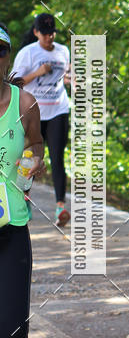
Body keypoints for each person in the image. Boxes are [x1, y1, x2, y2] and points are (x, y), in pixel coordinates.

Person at [0, 22, 45, 338]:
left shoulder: (25, 104)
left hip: (10, 225)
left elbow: (36, 146)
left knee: (12, 329)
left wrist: (28, 169)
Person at [12, 13, 71, 226]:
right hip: (33, 113)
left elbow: (65, 76)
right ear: (36, 32)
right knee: (29, 158)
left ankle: (60, 208)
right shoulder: (27, 54)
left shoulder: (64, 51)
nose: (49, 37)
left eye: (52, 33)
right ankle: (23, 200)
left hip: (58, 110)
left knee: (57, 159)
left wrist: (71, 79)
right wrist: (37, 72)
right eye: (45, 33)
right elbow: (14, 82)